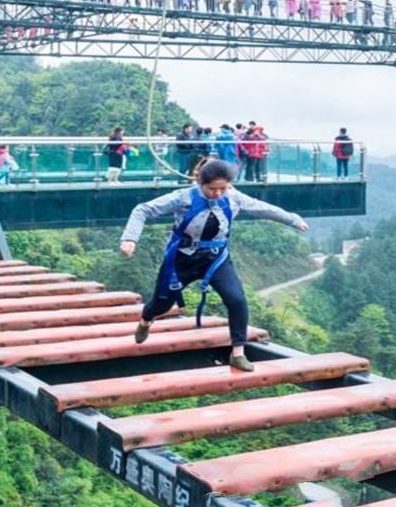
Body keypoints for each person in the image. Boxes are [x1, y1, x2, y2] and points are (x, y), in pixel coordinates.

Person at [120, 159, 309, 372]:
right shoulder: (184, 197)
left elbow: (263, 209)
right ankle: (146, 321)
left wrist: (292, 219)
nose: (218, 194)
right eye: (213, 189)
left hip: (216, 257)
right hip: (182, 258)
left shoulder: (234, 197)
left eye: (224, 188)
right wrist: (130, 239)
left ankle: (238, 352)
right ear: (201, 183)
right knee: (162, 305)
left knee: (236, 299)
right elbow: (142, 210)